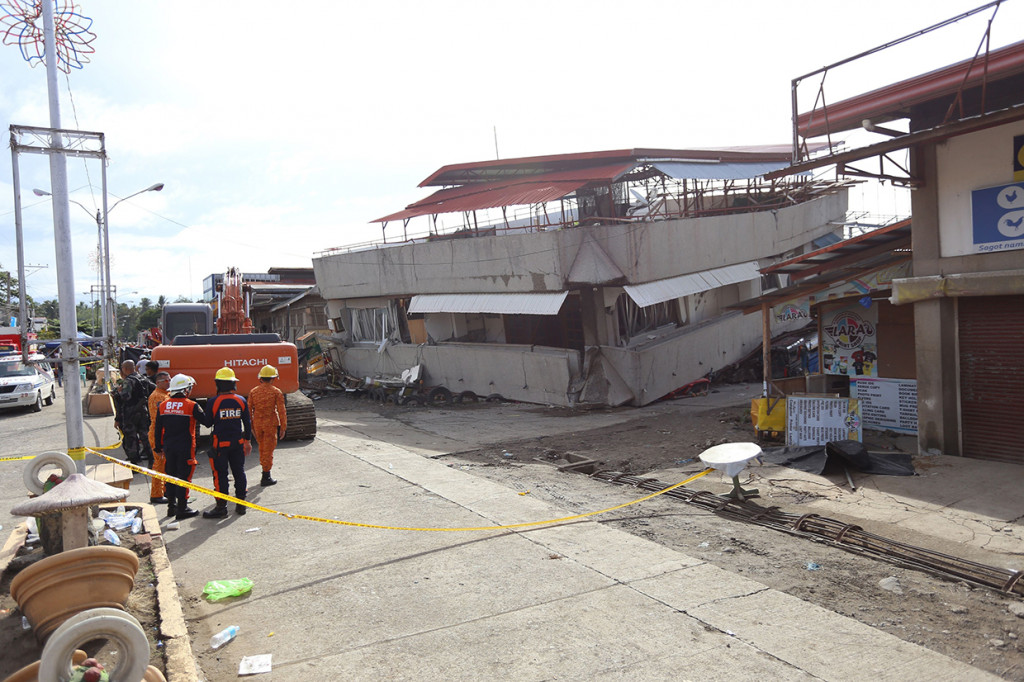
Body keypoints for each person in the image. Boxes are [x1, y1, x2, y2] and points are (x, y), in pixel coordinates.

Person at [153, 374, 210, 520]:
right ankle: (182, 508)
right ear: (186, 389)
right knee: (184, 477)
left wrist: (158, 448)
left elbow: (158, 428)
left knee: (170, 476)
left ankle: (171, 507)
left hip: (168, 447)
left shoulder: (163, 405)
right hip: (186, 448)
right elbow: (207, 422)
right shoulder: (192, 405)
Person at [203, 367, 252, 518]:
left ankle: (221, 507)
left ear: (218, 384)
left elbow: (207, 423)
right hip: (238, 444)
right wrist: (248, 441)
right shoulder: (241, 400)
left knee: (220, 475)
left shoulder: (213, 402)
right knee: (239, 472)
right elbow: (247, 423)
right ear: (233, 384)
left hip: (220, 446)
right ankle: (241, 505)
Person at [247, 364, 287, 486]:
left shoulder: (253, 391)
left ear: (261, 378)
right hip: (270, 424)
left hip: (257, 424)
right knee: (268, 450)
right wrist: (283, 427)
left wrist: (251, 427)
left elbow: (248, 411)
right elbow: (281, 411)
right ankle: (266, 475)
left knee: (262, 448)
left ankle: (265, 471)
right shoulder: (276, 392)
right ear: (273, 378)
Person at [113, 360, 153, 465]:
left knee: (131, 437)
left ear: (125, 369)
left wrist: (118, 392)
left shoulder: (128, 381)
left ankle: (135, 461)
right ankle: (152, 458)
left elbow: (125, 398)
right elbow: (153, 389)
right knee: (145, 436)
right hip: (143, 411)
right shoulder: (143, 378)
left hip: (130, 413)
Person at [147, 371, 172, 504]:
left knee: (165, 464)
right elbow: (159, 420)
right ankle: (156, 494)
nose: (169, 382)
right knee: (159, 464)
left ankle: (166, 491)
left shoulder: (165, 395)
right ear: (158, 383)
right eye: (166, 380)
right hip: (158, 434)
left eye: (170, 380)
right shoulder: (157, 396)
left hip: (164, 434)